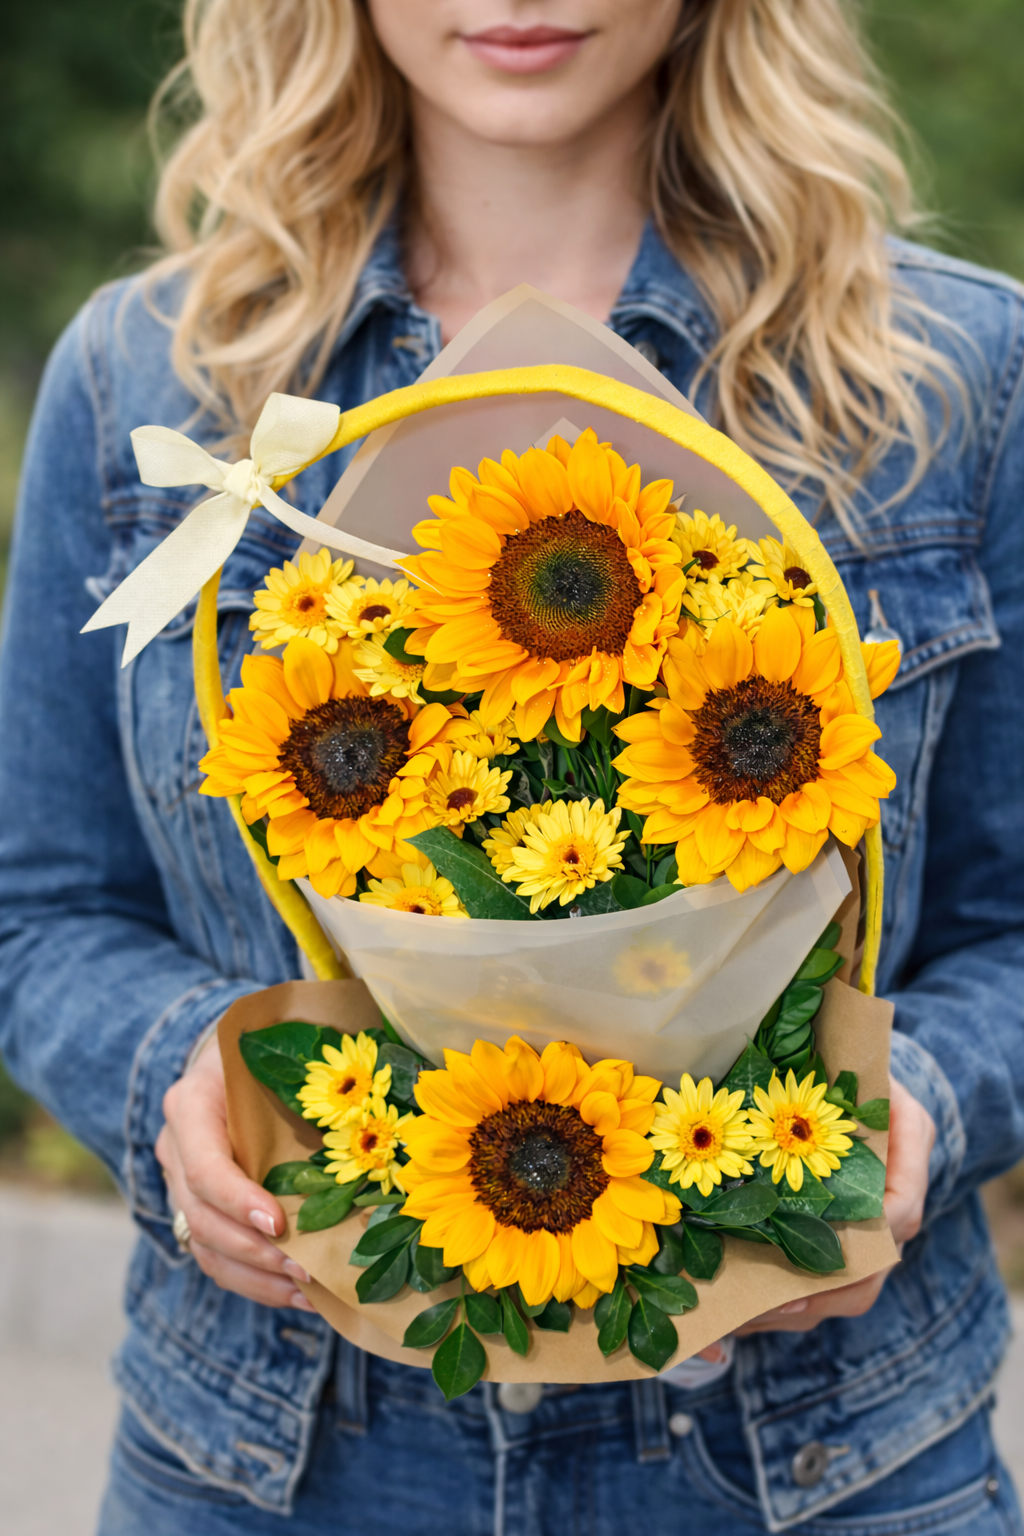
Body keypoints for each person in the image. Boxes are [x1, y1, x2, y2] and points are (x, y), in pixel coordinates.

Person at [1, 1, 1021, 1531]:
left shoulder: (950, 382)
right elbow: (38, 904)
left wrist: (912, 1104)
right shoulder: (155, 392)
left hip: (824, 1457)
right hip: (275, 1455)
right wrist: (195, 1070)